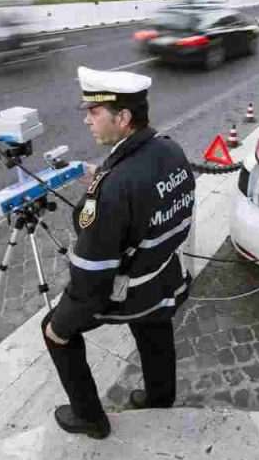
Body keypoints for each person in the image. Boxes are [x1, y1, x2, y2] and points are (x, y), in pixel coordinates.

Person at [42, 66, 196, 439]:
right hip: (164, 277)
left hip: (130, 290)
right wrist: (101, 174)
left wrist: (63, 321)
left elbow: (92, 271)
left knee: (51, 331)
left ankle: (90, 419)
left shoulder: (114, 188)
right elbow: (159, 198)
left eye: (94, 113)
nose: (87, 121)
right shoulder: (170, 149)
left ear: (123, 118)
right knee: (154, 330)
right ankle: (161, 397)